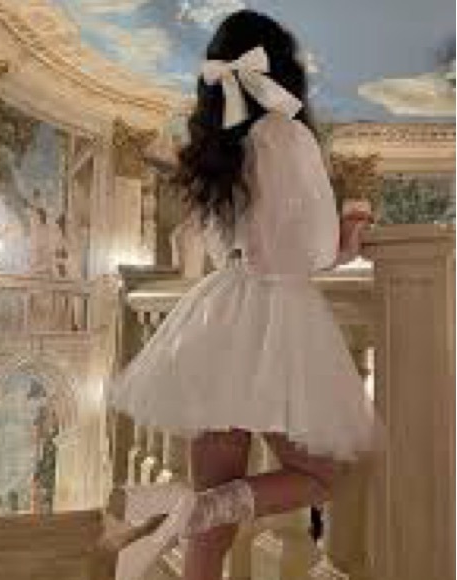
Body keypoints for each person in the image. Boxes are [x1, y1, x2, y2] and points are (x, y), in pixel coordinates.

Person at [100, 10, 378, 580]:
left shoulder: (216, 145)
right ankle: (195, 508)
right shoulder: (286, 134)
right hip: (277, 313)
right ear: (280, 68)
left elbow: (232, 241)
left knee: (215, 515)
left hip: (221, 309)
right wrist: (348, 238)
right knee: (324, 476)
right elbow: (307, 247)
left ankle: (191, 508)